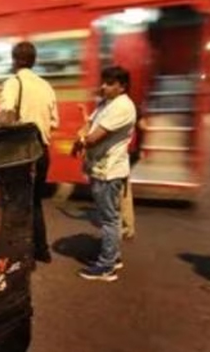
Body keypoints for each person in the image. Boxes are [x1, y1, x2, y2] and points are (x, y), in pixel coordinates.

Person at [0, 41, 59, 263]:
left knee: (14, 201)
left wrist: (0, 125)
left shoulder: (13, 83)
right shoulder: (46, 86)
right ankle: (41, 250)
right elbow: (55, 122)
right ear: (34, 60)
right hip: (42, 150)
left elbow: (6, 110)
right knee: (35, 201)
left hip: (20, 151)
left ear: (14, 60)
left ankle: (19, 253)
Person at [72, 66, 136, 282]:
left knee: (109, 220)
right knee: (110, 217)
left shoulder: (122, 107)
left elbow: (92, 138)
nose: (103, 86)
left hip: (109, 171)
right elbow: (89, 125)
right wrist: (83, 135)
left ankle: (106, 267)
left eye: (109, 83)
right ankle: (112, 257)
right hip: (100, 169)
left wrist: (81, 140)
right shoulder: (106, 104)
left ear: (122, 86)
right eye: (103, 81)